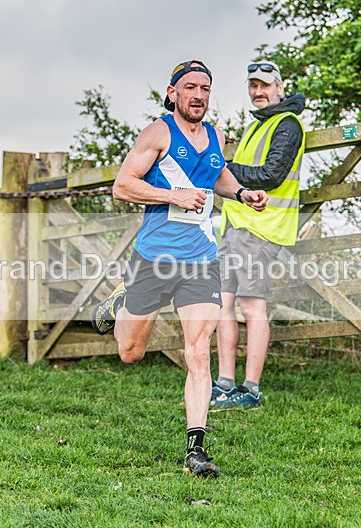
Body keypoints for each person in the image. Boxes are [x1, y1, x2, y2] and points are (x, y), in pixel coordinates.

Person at [90, 60, 267, 478]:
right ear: (172, 93)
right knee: (130, 353)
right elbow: (122, 185)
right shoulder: (158, 132)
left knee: (197, 351)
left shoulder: (215, 136)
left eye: (205, 88)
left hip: (202, 260)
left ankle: (195, 450)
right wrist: (174, 195)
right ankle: (122, 300)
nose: (199, 95)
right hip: (155, 258)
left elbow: (215, 172)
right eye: (190, 87)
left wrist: (241, 193)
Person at [212, 60, 306, 409]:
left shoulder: (287, 124)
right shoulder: (260, 124)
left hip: (262, 227)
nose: (258, 92)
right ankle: (224, 385)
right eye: (253, 85)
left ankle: (249, 390)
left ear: (280, 87)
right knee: (223, 305)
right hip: (236, 226)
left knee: (251, 307)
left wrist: (218, 166)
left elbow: (270, 175)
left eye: (265, 85)